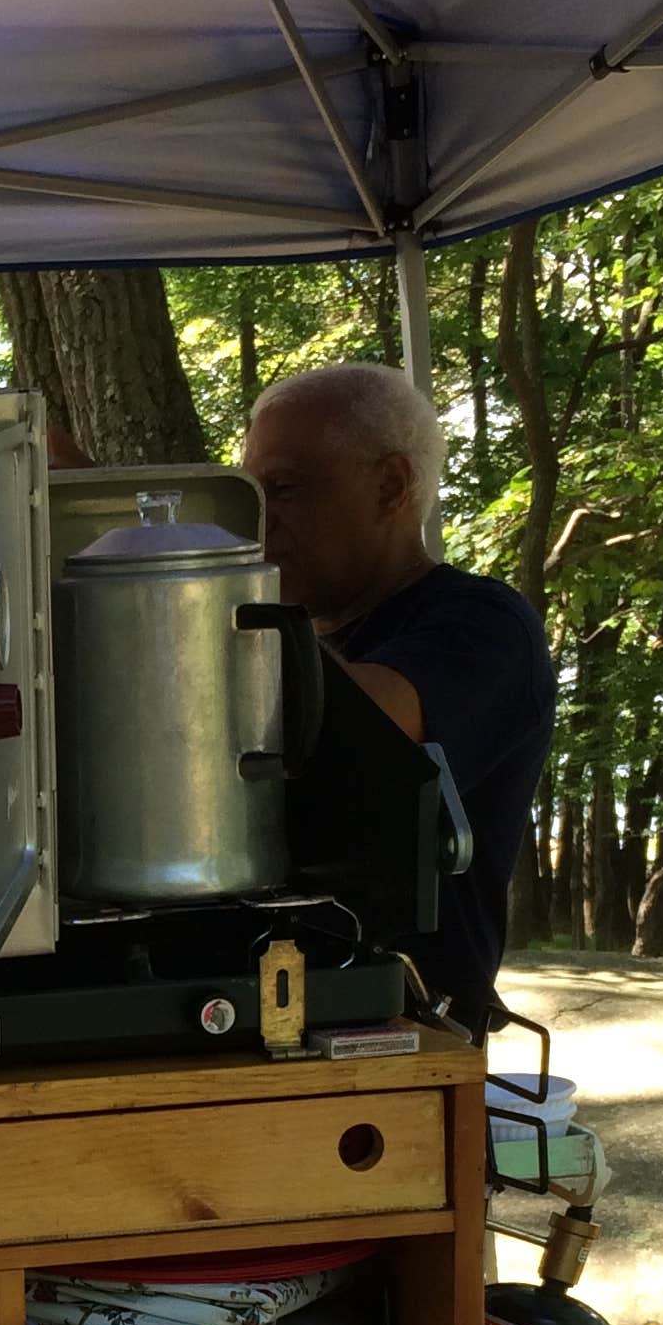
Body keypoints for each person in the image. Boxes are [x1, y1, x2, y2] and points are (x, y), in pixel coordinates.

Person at [239, 362, 553, 1037]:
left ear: (390, 486)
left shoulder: (485, 624)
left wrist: (174, 601)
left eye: (284, 489)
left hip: (404, 1040)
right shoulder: (278, 642)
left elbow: (355, 728)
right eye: (250, 496)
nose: (258, 520)